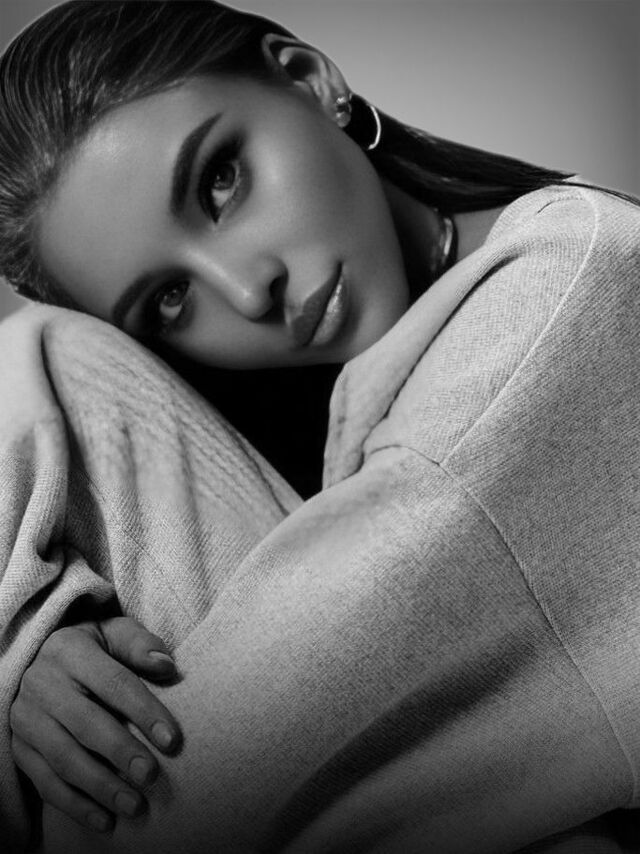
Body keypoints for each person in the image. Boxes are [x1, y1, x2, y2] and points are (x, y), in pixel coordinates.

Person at [1, 1, 640, 852]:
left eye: (219, 181)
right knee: (44, 355)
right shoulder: (376, 392)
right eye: (170, 299)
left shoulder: (558, 302)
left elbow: (178, 814)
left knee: (30, 357)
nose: (247, 290)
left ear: (310, 82)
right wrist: (38, 656)